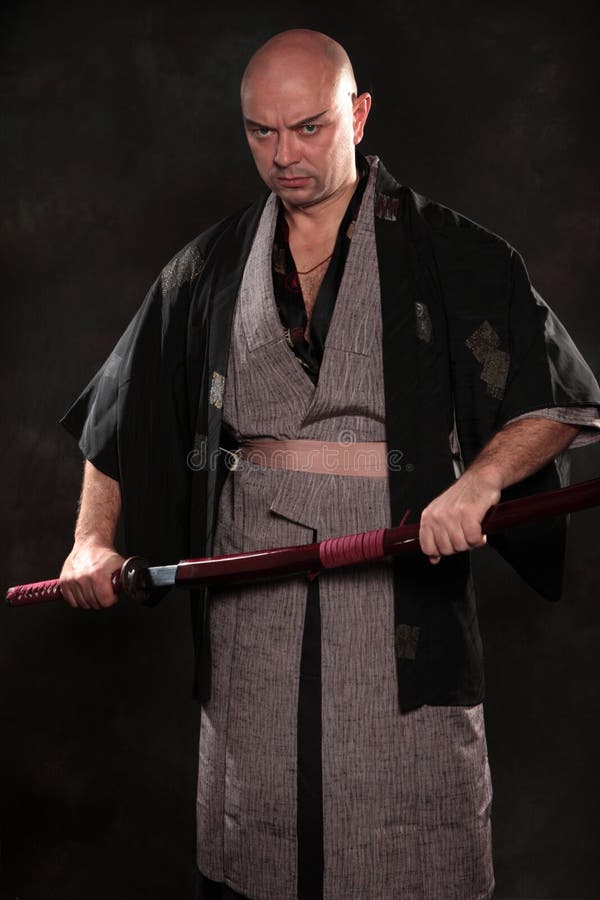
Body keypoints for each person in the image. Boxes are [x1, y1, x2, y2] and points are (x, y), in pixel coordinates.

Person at [58, 28, 600, 900]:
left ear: (358, 113)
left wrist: (480, 481)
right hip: (248, 596)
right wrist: (90, 541)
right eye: (261, 133)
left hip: (401, 581)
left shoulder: (455, 255)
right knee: (257, 850)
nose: (284, 155)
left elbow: (556, 399)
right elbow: (118, 411)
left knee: (408, 850)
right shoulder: (207, 267)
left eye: (308, 128)